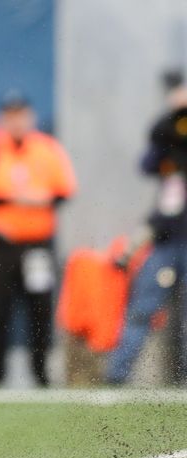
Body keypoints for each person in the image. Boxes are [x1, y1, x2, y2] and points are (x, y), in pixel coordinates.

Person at [0, 90, 77, 386]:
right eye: (10, 115)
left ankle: (41, 372)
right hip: (1, 243)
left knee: (40, 310)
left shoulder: (47, 149)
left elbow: (63, 191)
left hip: (37, 243)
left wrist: (32, 200)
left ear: (30, 116)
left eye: (20, 114)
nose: (16, 121)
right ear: (1, 119)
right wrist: (19, 199)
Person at [106, 105, 187, 385]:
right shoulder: (171, 157)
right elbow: (149, 158)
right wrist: (175, 110)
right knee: (142, 309)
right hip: (168, 243)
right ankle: (116, 376)